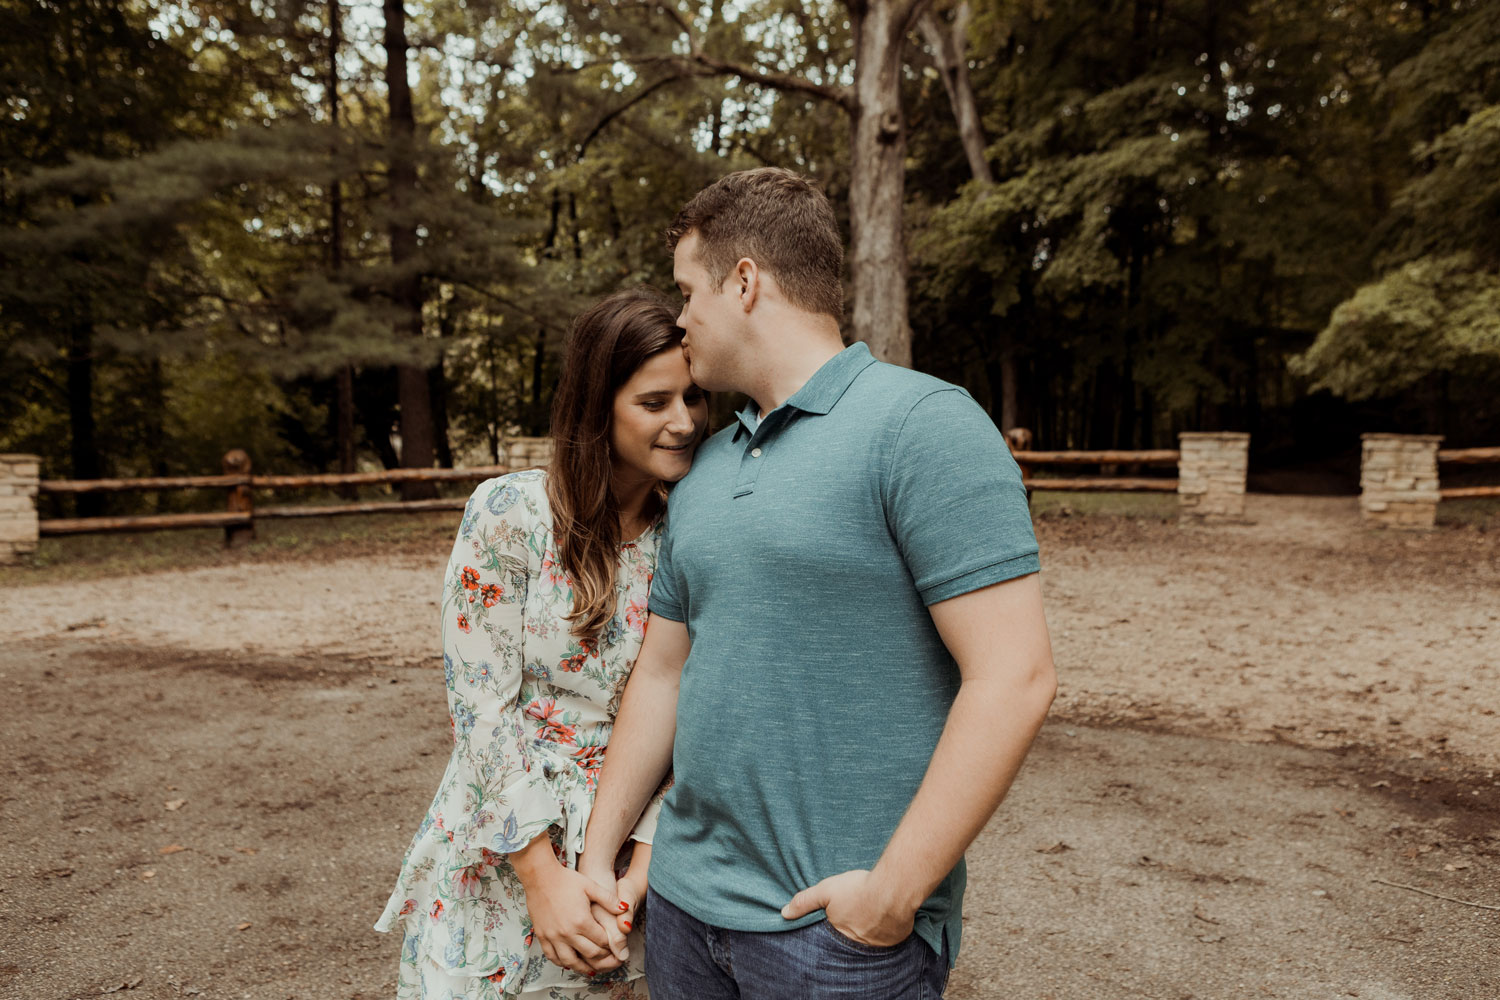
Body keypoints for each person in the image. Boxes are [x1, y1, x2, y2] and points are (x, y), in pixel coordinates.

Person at [576, 168, 1057, 999]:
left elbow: (1014, 676)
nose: (682, 318)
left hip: (835, 940)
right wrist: (596, 855)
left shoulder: (923, 425)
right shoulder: (706, 467)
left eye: (690, 292)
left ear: (746, 282)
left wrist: (890, 898)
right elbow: (663, 675)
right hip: (685, 917)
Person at [375, 287, 709, 1000]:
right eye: (655, 402)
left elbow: (701, 710)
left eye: (695, 398)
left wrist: (637, 873)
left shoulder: (696, 533)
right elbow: (481, 709)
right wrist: (543, 878)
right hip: (509, 844)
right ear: (598, 405)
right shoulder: (510, 515)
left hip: (636, 865)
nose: (684, 422)